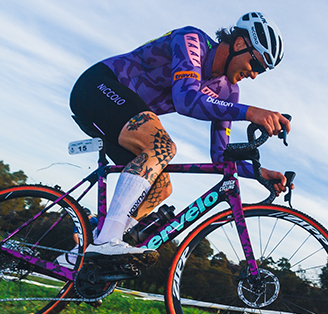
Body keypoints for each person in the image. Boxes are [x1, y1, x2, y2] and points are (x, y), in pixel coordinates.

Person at [68, 12, 292, 265]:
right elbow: (187, 100)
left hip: (121, 117)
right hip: (98, 87)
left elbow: (220, 156)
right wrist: (251, 113)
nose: (254, 75)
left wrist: (258, 172)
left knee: (161, 188)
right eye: (258, 65)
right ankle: (106, 241)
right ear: (240, 44)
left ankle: (80, 257)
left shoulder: (228, 91)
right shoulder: (192, 40)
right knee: (162, 146)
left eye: (261, 72)